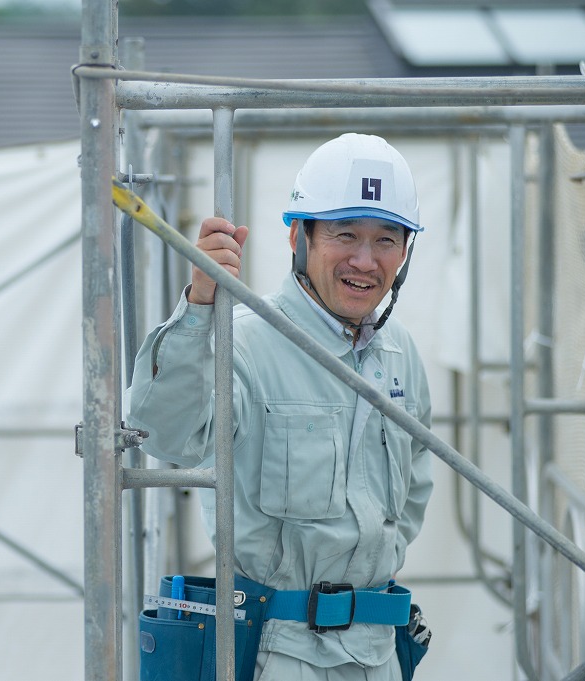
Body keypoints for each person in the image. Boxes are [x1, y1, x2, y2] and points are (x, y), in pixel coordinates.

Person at [127, 133, 434, 681]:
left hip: (381, 652)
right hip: (276, 654)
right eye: (345, 234)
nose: (365, 260)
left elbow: (412, 497)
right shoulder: (243, 340)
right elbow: (161, 434)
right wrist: (200, 306)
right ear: (300, 236)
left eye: (386, 239)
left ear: (405, 251)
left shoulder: (400, 354)